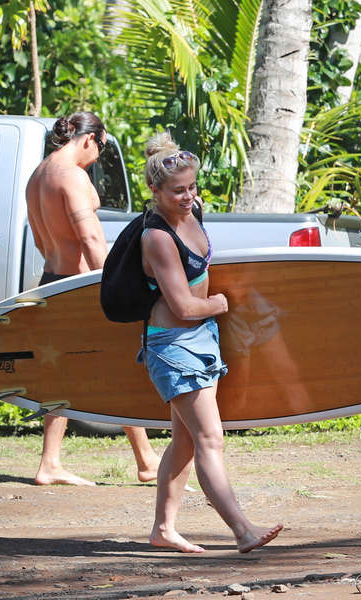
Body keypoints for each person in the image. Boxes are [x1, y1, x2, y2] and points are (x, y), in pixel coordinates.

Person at [138, 132, 283, 553]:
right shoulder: (158, 237)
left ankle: (162, 530)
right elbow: (183, 305)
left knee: (185, 440)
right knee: (209, 439)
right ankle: (242, 530)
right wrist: (221, 302)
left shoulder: (193, 213)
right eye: (177, 190)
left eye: (192, 187)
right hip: (175, 345)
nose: (187, 197)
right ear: (155, 190)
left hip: (201, 339)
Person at [25, 111, 161, 486]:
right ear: (89, 139)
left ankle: (51, 463)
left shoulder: (37, 177)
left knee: (64, 370)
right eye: (100, 147)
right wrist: (110, 284)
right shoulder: (72, 175)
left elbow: (40, 240)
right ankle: (147, 461)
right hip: (83, 284)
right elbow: (90, 238)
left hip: (53, 279)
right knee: (118, 363)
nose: (99, 156)